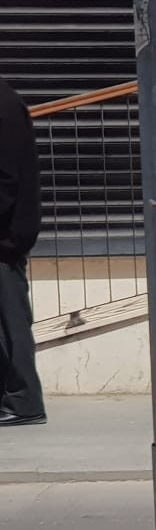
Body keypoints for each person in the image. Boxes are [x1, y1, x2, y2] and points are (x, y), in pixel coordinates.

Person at [0, 73, 45, 428]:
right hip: (8, 233)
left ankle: (24, 401)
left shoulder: (3, 104)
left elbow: (6, 177)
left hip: (5, 236)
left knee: (10, 320)